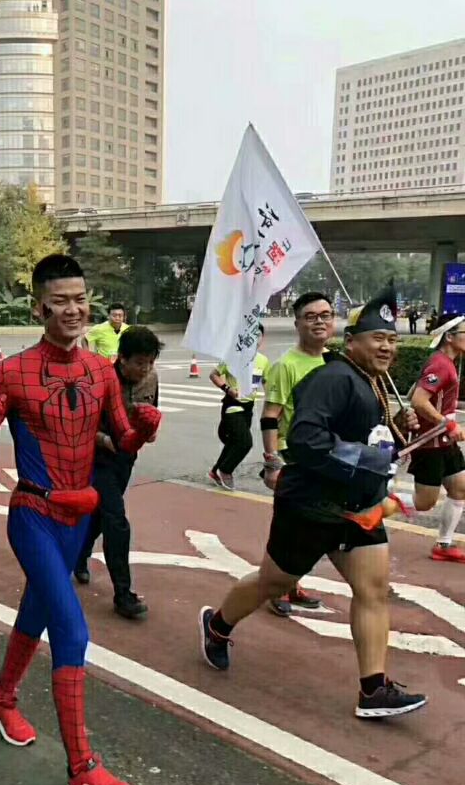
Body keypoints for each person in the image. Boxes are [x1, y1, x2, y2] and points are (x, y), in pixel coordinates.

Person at [0, 255, 160, 785]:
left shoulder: (102, 371)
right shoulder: (10, 372)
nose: (73, 310)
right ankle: (81, 767)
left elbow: (121, 441)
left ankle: (1, 698)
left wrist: (142, 430)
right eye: (60, 301)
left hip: (80, 516)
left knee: (37, 613)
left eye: (80, 299)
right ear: (39, 308)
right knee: (71, 631)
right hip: (33, 513)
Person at [198, 283, 428, 719]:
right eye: (377, 338)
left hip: (359, 508)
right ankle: (217, 625)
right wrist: (371, 459)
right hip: (311, 506)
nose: (386, 347)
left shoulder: (371, 381)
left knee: (373, 590)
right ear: (352, 341)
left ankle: (373, 689)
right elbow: (305, 439)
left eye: (392, 339)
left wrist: (397, 427)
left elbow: (366, 438)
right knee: (273, 583)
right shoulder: (333, 378)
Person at [73, 325, 161, 620]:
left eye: (150, 362)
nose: (145, 369)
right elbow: (82, 426)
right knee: (116, 521)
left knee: (101, 516)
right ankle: (123, 594)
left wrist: (149, 431)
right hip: (99, 457)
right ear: (122, 358)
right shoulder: (101, 381)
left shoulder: (152, 378)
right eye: (139, 362)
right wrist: (106, 440)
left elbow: (151, 415)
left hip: (126, 458)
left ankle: (79, 555)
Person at [260, 291, 335, 616]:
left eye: (325, 315)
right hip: (294, 457)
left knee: (312, 528)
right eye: (310, 316)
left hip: (327, 457)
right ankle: (275, 586)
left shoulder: (335, 362)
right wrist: (272, 463)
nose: (319, 322)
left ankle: (291, 583)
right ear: (298, 323)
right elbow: (270, 416)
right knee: (288, 527)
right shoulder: (285, 365)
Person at [408, 314, 465, 561]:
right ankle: (376, 500)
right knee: (424, 503)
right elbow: (418, 400)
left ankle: (444, 545)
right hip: (430, 441)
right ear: (449, 337)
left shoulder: (448, 362)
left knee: (461, 487)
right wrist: (447, 423)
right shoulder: (441, 364)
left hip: (444, 440)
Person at [208, 323, 270, 490]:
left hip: (249, 408)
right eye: (252, 335)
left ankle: (214, 471)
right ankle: (226, 470)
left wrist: (272, 401)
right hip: (232, 406)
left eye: (258, 335)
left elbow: (266, 382)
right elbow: (214, 374)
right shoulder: (233, 356)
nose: (255, 339)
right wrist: (227, 388)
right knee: (245, 442)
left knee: (234, 442)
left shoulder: (263, 360)